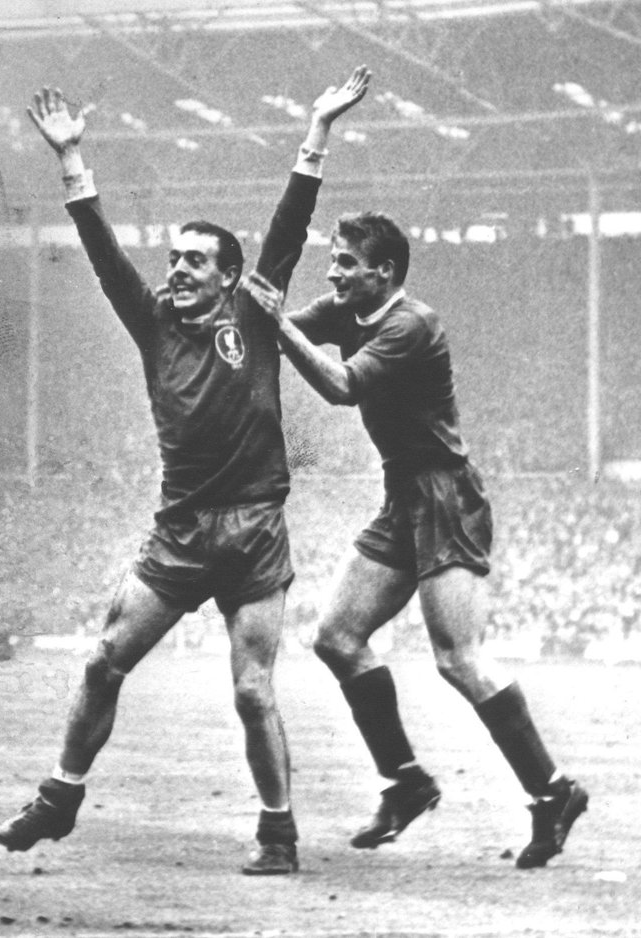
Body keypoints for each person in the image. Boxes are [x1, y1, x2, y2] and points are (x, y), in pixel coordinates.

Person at [0, 68, 370, 876]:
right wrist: (71, 159)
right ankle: (60, 796)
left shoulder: (256, 311)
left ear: (229, 274)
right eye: (173, 258)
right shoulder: (153, 322)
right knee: (103, 660)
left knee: (252, 691)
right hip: (181, 529)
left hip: (255, 528)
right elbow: (103, 254)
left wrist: (318, 130)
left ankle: (279, 836)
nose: (177, 269)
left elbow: (290, 223)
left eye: (195, 260)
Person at [241, 212, 588, 869]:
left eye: (346, 262)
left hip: (446, 495)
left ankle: (553, 791)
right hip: (402, 494)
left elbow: (341, 386)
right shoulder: (347, 308)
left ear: (384, 272)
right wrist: (232, 309)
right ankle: (404, 782)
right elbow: (269, 330)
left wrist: (277, 322)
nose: (333, 272)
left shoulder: (412, 324)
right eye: (333, 259)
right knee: (337, 637)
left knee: (458, 658)